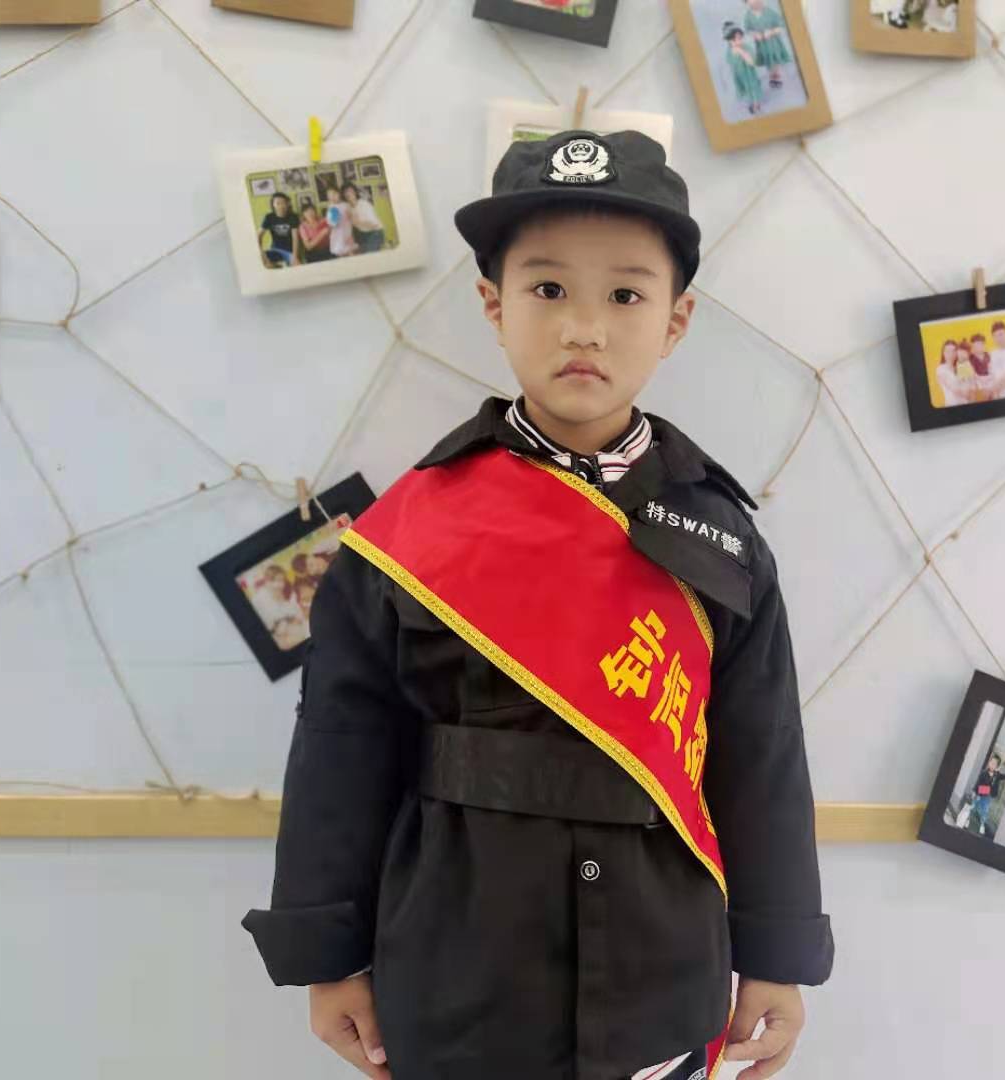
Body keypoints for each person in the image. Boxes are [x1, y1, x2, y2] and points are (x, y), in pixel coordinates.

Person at [242, 130, 833, 1080]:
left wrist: (777, 953)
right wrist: (327, 956)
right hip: (458, 969)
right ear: (494, 304)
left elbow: (762, 754)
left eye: (626, 295)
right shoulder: (407, 532)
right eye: (548, 289)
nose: (584, 328)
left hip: (662, 972)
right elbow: (341, 746)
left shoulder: (724, 540)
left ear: (676, 320)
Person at [743, 0, 792, 91]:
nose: (754, 2)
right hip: (762, 45)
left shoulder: (769, 12)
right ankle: (772, 76)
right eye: (750, 1)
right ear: (746, 3)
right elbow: (747, 30)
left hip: (773, 43)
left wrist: (771, 32)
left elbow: (781, 25)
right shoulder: (748, 16)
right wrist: (755, 34)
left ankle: (777, 77)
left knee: (774, 60)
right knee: (767, 60)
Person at [968, 753, 1005, 838]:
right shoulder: (984, 773)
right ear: (989, 763)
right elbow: (978, 783)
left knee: (985, 811)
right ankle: (967, 818)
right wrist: (974, 792)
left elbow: (1004, 776)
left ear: (997, 766)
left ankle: (982, 825)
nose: (992, 765)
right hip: (980, 793)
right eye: (991, 762)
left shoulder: (997, 774)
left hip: (988, 796)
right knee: (973, 806)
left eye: (994, 764)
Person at [724, 22, 765, 117]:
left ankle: (756, 104)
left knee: (753, 88)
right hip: (739, 74)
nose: (737, 41)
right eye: (733, 40)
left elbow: (752, 62)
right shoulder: (730, 50)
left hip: (749, 74)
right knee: (745, 88)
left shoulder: (746, 47)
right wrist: (734, 51)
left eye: (739, 38)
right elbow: (729, 61)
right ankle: (751, 100)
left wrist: (741, 52)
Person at [259, 193, 300, 268]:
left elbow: (295, 238)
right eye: (278, 203)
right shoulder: (269, 217)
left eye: (283, 203)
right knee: (261, 260)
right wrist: (261, 252)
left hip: (289, 251)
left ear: (287, 204)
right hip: (275, 250)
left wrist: (294, 256)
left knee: (297, 265)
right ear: (273, 205)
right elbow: (258, 236)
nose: (281, 206)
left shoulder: (293, 217)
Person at [349, 186, 387, 253]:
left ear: (355, 193)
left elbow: (374, 225)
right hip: (364, 234)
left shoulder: (364, 204)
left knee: (368, 253)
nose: (348, 194)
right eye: (346, 193)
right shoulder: (350, 209)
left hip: (376, 232)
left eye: (350, 192)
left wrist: (358, 222)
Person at [326, 184, 358, 259]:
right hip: (337, 234)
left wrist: (349, 215)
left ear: (339, 194)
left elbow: (352, 218)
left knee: (350, 253)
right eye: (329, 195)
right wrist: (333, 220)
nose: (332, 197)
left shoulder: (345, 205)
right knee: (340, 253)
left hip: (346, 233)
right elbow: (331, 223)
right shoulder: (331, 207)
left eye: (334, 194)